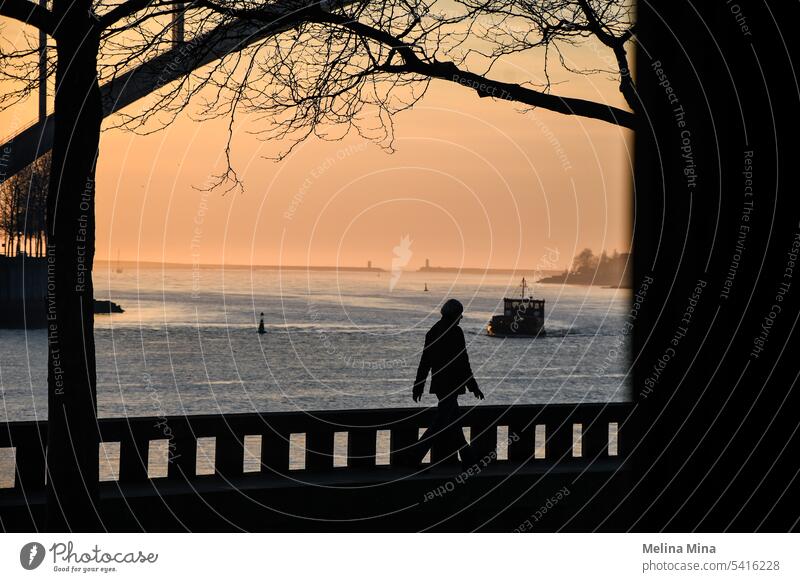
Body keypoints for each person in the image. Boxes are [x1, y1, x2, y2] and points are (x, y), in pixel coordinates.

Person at [410, 299, 484, 467]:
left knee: (453, 422)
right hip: (452, 385)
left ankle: (468, 458)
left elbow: (425, 362)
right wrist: (473, 386)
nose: (460, 319)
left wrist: (418, 386)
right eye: (459, 316)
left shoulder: (433, 331)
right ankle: (415, 455)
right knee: (441, 422)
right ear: (455, 315)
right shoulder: (456, 333)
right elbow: (463, 362)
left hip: (440, 384)